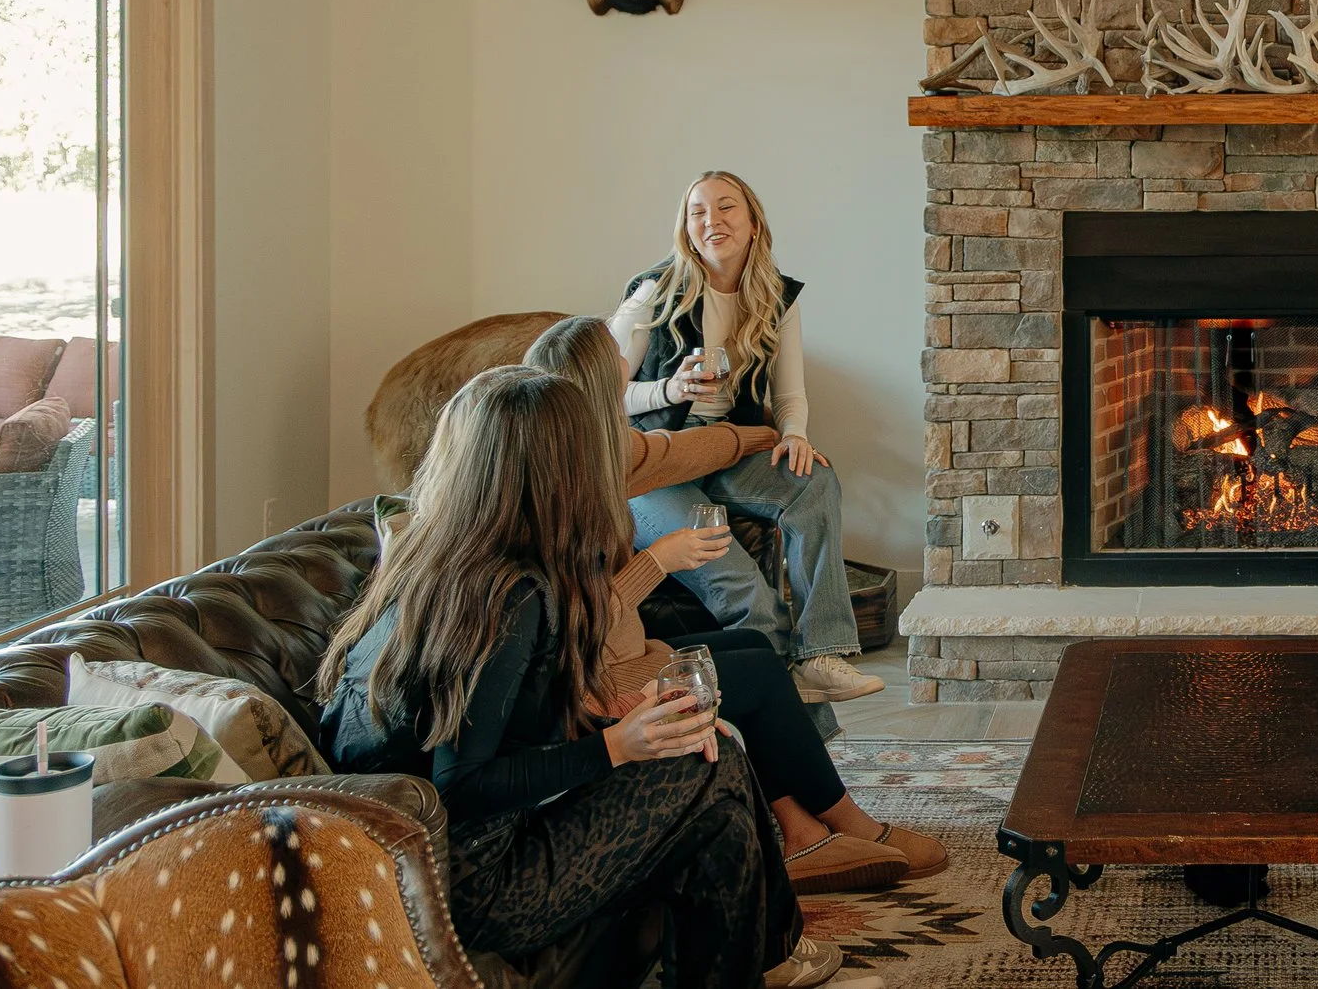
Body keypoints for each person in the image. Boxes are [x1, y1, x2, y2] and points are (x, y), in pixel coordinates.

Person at [316, 367, 841, 988]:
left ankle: (770, 957)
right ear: (561, 469)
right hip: (472, 887)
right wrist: (617, 745)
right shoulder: (505, 596)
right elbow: (460, 784)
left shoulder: (441, 554)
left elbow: (493, 719)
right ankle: (774, 955)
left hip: (438, 854)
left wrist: (611, 715)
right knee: (713, 764)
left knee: (707, 761)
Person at [527, 313, 949, 894]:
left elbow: (681, 450)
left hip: (626, 652)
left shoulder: (609, 449)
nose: (629, 362)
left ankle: (802, 829)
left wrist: (766, 436)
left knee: (753, 647)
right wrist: (658, 561)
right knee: (756, 673)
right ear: (598, 382)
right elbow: (567, 622)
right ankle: (846, 822)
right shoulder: (561, 489)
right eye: (617, 358)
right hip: (598, 677)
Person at [610, 171, 881, 711]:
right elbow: (602, 394)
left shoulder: (777, 297)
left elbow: (790, 394)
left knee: (814, 478)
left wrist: (796, 435)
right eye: (698, 212)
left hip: (725, 449)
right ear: (686, 229)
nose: (712, 220)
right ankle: (784, 711)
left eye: (726, 207)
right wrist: (669, 389)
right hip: (653, 466)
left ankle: (822, 654)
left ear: (754, 222)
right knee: (745, 587)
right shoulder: (655, 291)